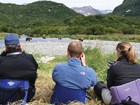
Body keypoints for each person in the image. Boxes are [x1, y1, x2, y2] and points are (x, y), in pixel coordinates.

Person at [0, 33, 38, 103]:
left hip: (2, 96)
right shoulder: (29, 58)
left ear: (5, 48)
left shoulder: (1, 60)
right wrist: (22, 53)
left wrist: (3, 53)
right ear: (20, 45)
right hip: (25, 96)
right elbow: (35, 71)